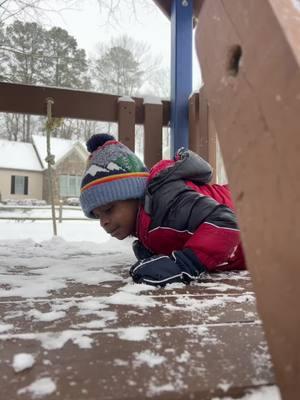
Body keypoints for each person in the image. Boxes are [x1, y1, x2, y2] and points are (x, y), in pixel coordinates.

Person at [80, 133, 246, 287]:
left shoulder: (169, 201)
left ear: (135, 195)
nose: (104, 222)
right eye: (97, 216)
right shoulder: (147, 222)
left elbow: (228, 221)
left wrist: (186, 263)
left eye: (109, 209)